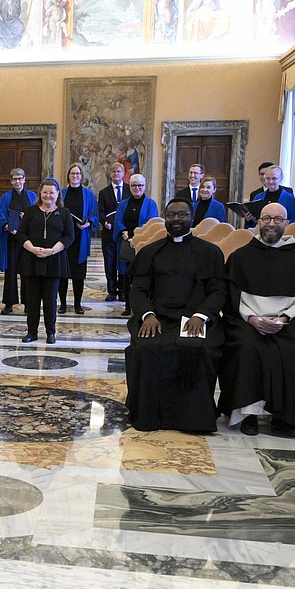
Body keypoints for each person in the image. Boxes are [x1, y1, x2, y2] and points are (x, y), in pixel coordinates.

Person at [218, 203, 295, 436]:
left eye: (278, 220)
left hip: (288, 321)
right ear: (258, 222)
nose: (271, 224)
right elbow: (231, 295)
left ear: (287, 224)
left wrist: (285, 317)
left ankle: (287, 417)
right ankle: (249, 414)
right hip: (248, 321)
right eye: (266, 219)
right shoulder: (241, 257)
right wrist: (253, 319)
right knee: (247, 348)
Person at [124, 198, 227, 433]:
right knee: (145, 348)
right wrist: (147, 315)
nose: (176, 219)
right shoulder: (151, 251)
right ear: (165, 219)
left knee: (199, 348)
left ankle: (192, 418)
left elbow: (218, 291)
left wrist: (201, 316)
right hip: (157, 317)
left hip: (195, 317)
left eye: (182, 215)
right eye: (171, 215)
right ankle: (148, 415)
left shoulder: (209, 252)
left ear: (192, 218)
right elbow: (137, 290)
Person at [18, 179, 74, 344]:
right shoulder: (30, 211)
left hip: (54, 260)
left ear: (57, 194)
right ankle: (32, 332)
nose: (48, 195)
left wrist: (52, 250)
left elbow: (69, 236)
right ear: (40, 194)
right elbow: (21, 234)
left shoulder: (64, 212)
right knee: (32, 299)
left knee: (50, 298)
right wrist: (33, 249)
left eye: (51, 192)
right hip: (31, 259)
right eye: (45, 192)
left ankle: (51, 332)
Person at [112, 174, 159, 317]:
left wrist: (136, 237)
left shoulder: (151, 204)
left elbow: (152, 223)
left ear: (144, 187)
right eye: (133, 185)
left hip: (144, 245)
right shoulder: (123, 204)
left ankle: (143, 306)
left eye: (140, 185)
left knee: (142, 275)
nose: (137, 188)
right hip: (126, 244)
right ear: (130, 187)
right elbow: (118, 221)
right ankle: (127, 305)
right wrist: (125, 234)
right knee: (126, 276)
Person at [0, 168, 37, 314]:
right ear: (11, 181)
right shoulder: (5, 197)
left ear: (25, 180)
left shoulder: (33, 196)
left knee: (27, 272)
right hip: (11, 241)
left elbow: (37, 216)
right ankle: (9, 303)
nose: (17, 181)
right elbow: (0, 217)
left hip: (28, 241)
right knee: (10, 272)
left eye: (20, 178)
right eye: (14, 179)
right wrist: (7, 226)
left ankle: (28, 303)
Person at [59, 163, 99, 314]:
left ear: (82, 177)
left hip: (80, 239)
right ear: (68, 176)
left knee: (78, 274)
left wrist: (88, 223)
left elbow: (95, 215)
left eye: (78, 174)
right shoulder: (61, 193)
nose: (75, 176)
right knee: (62, 273)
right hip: (64, 239)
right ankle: (62, 304)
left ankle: (77, 304)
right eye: (72, 174)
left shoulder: (89, 195)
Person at [97, 162, 128, 301]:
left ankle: (122, 290)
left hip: (124, 235)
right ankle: (111, 290)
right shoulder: (104, 192)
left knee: (122, 261)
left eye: (119, 171)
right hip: (109, 233)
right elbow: (100, 212)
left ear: (123, 173)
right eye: (113, 171)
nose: (116, 173)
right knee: (109, 262)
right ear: (110, 173)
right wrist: (104, 222)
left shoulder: (129, 190)